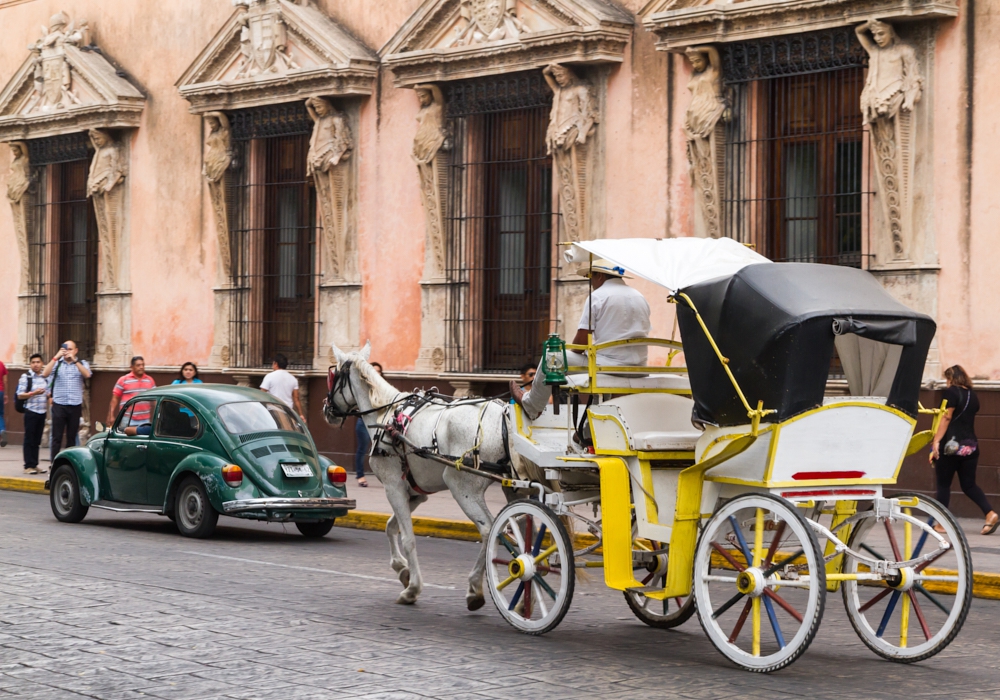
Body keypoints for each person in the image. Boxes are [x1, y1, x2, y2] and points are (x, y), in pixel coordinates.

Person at [511, 259, 651, 419]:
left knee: (552, 356)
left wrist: (572, 354)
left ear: (599, 276)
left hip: (609, 366)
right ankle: (586, 430)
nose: (591, 282)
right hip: (639, 367)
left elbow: (580, 343)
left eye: (590, 277)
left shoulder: (598, 296)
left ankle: (532, 405)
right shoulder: (639, 296)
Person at [930, 365, 999, 535]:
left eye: (947, 379)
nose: (946, 383)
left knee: (944, 485)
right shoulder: (973, 395)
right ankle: (990, 514)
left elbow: (946, 417)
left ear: (951, 378)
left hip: (951, 447)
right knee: (969, 485)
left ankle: (941, 524)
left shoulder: (951, 392)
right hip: (970, 447)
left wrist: (936, 442)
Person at [42, 340, 92, 462]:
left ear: (75, 351)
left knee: (71, 437)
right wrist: (55, 357)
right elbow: (45, 373)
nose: (67, 352)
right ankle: (54, 464)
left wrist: (75, 361)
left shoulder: (82, 363)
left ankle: (69, 464)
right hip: (59, 404)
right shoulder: (58, 364)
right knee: (56, 437)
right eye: (65, 349)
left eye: (70, 349)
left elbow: (87, 375)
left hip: (75, 405)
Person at [16, 354, 48, 474]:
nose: (36, 364)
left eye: (38, 362)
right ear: (30, 364)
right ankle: (27, 466)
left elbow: (48, 392)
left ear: (42, 364)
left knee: (37, 440)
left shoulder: (45, 377)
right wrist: (33, 393)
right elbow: (20, 394)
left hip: (42, 412)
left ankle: (34, 464)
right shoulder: (26, 377)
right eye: (33, 362)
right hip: (31, 412)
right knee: (29, 439)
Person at [354, 361, 383, 487]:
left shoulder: (383, 387)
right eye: (374, 371)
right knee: (362, 449)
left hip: (380, 422)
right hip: (364, 423)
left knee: (382, 450)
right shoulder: (363, 387)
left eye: (379, 371)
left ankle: (385, 476)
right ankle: (360, 476)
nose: (377, 373)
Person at [107, 356, 156, 427]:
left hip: (145, 419)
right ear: (132, 367)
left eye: (143, 365)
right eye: (138, 365)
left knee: (142, 438)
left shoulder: (150, 380)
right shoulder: (123, 380)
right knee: (125, 438)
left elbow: (154, 399)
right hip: (127, 418)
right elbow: (115, 399)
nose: (141, 367)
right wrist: (111, 415)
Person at [260, 354, 306, 421]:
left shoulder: (269, 376)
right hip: (288, 411)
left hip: (273, 410)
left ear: (276, 364)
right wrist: (301, 414)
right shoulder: (293, 379)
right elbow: (296, 399)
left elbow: (261, 394)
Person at [0, 356, 7, 447]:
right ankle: (2, 430)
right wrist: (5, 394)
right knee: (0, 414)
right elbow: (5, 380)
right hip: (0, 392)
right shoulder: (1, 364)